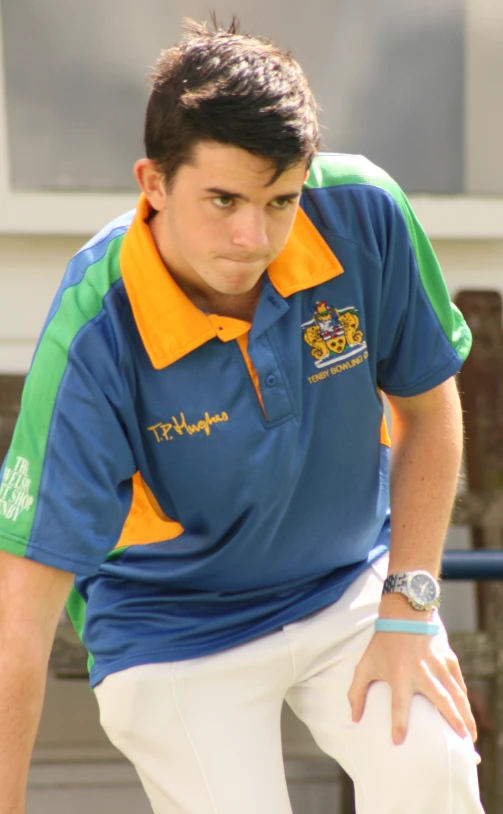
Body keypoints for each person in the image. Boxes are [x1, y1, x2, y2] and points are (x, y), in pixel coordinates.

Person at [0, 17, 484, 814]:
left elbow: (428, 410)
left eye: (280, 199)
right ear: (153, 184)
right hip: (171, 629)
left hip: (345, 587)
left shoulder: (364, 213)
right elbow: (24, 606)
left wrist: (409, 604)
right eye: (221, 199)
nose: (251, 235)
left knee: (431, 771)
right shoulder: (93, 328)